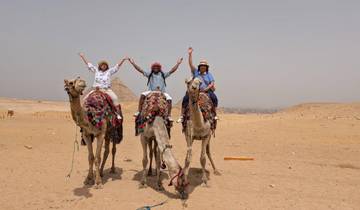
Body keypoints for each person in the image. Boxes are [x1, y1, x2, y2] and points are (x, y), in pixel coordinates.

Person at [78, 52, 126, 119]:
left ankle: (117, 114)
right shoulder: (96, 71)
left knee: (115, 99)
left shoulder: (109, 71)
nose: (103, 66)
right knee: (85, 99)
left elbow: (117, 67)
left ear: (107, 66)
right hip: (96, 90)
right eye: (102, 65)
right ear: (100, 66)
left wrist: (123, 60)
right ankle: (83, 115)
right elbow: (89, 64)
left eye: (105, 65)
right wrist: (82, 57)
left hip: (106, 90)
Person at [178, 47, 219, 122]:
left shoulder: (209, 74)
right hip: (195, 91)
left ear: (206, 67)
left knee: (214, 98)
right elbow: (190, 64)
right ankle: (182, 115)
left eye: (204, 66)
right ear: (199, 67)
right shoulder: (196, 72)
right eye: (201, 66)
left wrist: (207, 88)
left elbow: (212, 83)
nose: (203, 67)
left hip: (206, 91)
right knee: (185, 98)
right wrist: (190, 54)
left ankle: (215, 114)